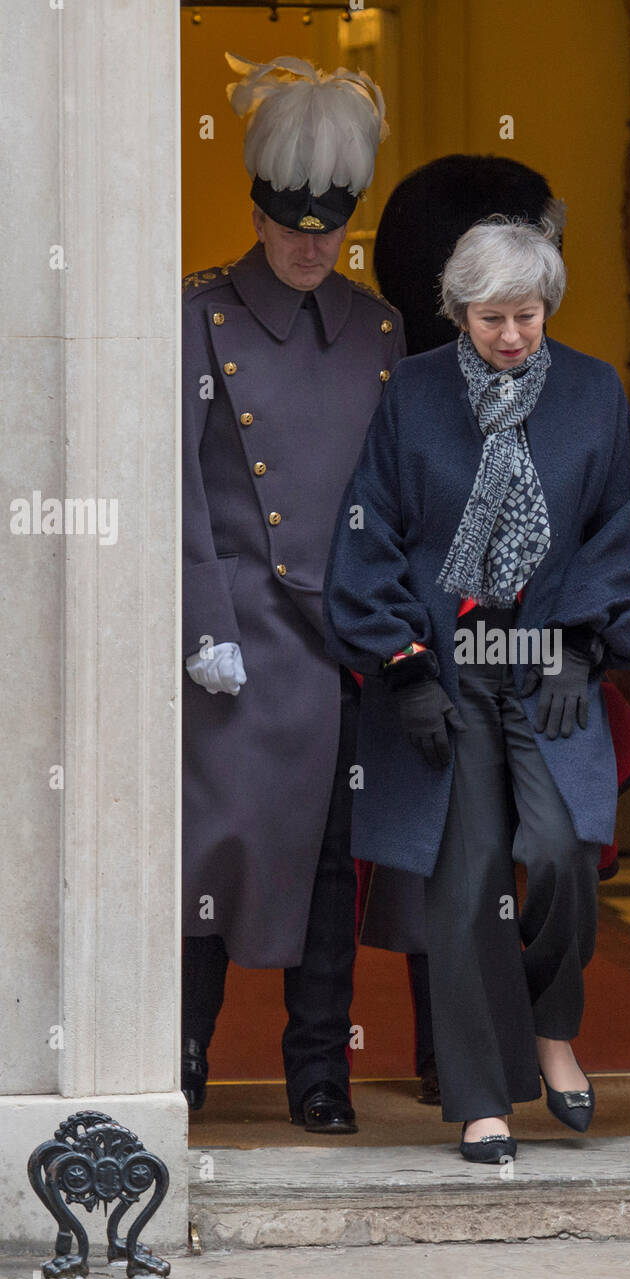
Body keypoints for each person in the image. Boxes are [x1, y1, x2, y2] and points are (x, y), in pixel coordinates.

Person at [323, 218, 630, 1160]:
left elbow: (619, 532)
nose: (511, 336)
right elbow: (371, 530)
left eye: (527, 314)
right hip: (448, 667)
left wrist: (584, 651)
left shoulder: (593, 393)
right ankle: (482, 1099)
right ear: (457, 313)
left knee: (562, 852)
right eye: (490, 318)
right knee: (467, 882)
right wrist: (404, 667)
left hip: (550, 661)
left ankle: (553, 1029)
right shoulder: (415, 393)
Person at [181, 53, 404, 1134]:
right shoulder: (200, 318)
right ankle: (177, 1065)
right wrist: (199, 626)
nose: (308, 239)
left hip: (339, 642)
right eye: (288, 218)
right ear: (258, 207)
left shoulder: (377, 332)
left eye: (329, 220)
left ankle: (319, 1074)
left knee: (325, 870)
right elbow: (177, 486)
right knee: (212, 861)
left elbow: (393, 495)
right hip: (232, 646)